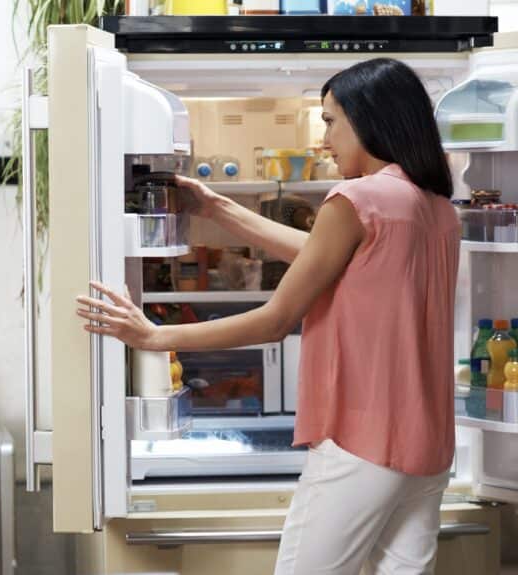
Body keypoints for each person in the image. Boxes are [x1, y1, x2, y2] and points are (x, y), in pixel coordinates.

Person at [76, 57, 459, 574]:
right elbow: (322, 254)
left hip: (364, 440)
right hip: (428, 443)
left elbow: (275, 320)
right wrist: (217, 207)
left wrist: (153, 336)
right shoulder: (434, 207)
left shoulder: (357, 198)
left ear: (370, 120)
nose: (325, 140)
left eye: (329, 121)